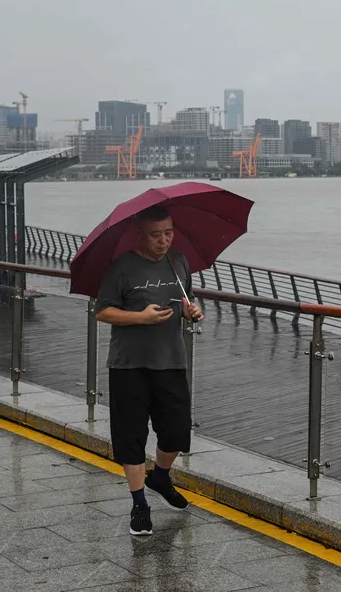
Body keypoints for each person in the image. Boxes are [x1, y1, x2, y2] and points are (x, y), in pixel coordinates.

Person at [94, 206, 203, 536]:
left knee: (176, 430)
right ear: (139, 234)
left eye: (168, 232)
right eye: (155, 235)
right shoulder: (123, 266)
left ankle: (160, 476)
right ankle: (139, 503)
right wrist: (140, 318)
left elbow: (188, 301)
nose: (164, 240)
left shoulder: (179, 261)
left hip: (171, 360)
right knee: (131, 435)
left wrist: (192, 311)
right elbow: (102, 312)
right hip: (129, 364)